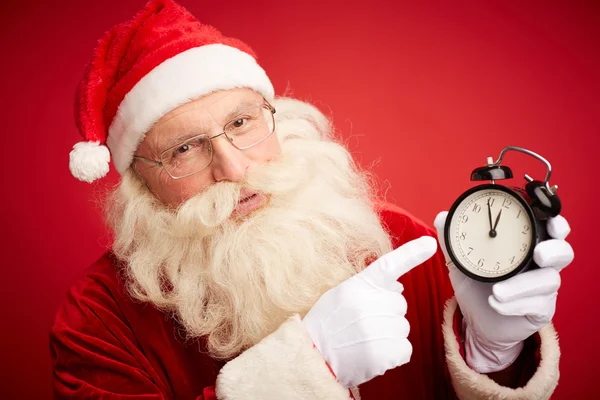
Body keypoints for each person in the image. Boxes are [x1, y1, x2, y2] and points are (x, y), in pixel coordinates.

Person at [50, 0, 574, 399]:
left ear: (275, 114)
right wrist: (300, 370)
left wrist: (490, 354)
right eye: (185, 149)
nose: (235, 168)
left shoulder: (403, 242)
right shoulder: (97, 319)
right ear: (141, 183)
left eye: (241, 122)